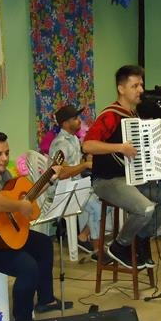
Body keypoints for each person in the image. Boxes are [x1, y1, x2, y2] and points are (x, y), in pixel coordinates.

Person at [0, 131, 72, 321]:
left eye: (7, 153)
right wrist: (18, 206)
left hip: (1, 236)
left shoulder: (3, 174)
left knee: (43, 244)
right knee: (27, 266)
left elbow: (27, 196)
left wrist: (49, 179)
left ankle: (45, 300)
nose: (5, 159)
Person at [82, 65, 161, 270]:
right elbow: (88, 145)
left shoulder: (134, 116)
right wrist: (120, 147)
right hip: (107, 180)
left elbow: (141, 155)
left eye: (141, 85)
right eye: (135, 85)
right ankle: (119, 246)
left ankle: (142, 237)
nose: (141, 90)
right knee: (145, 209)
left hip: (132, 179)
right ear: (121, 89)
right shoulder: (110, 115)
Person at [48, 105, 103, 261]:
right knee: (96, 207)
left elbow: (79, 164)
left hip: (76, 185)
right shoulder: (60, 144)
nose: (80, 121)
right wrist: (85, 165)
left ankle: (83, 236)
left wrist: (90, 155)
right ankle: (98, 251)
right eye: (76, 119)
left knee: (108, 198)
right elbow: (62, 173)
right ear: (65, 123)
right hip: (62, 191)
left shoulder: (73, 138)